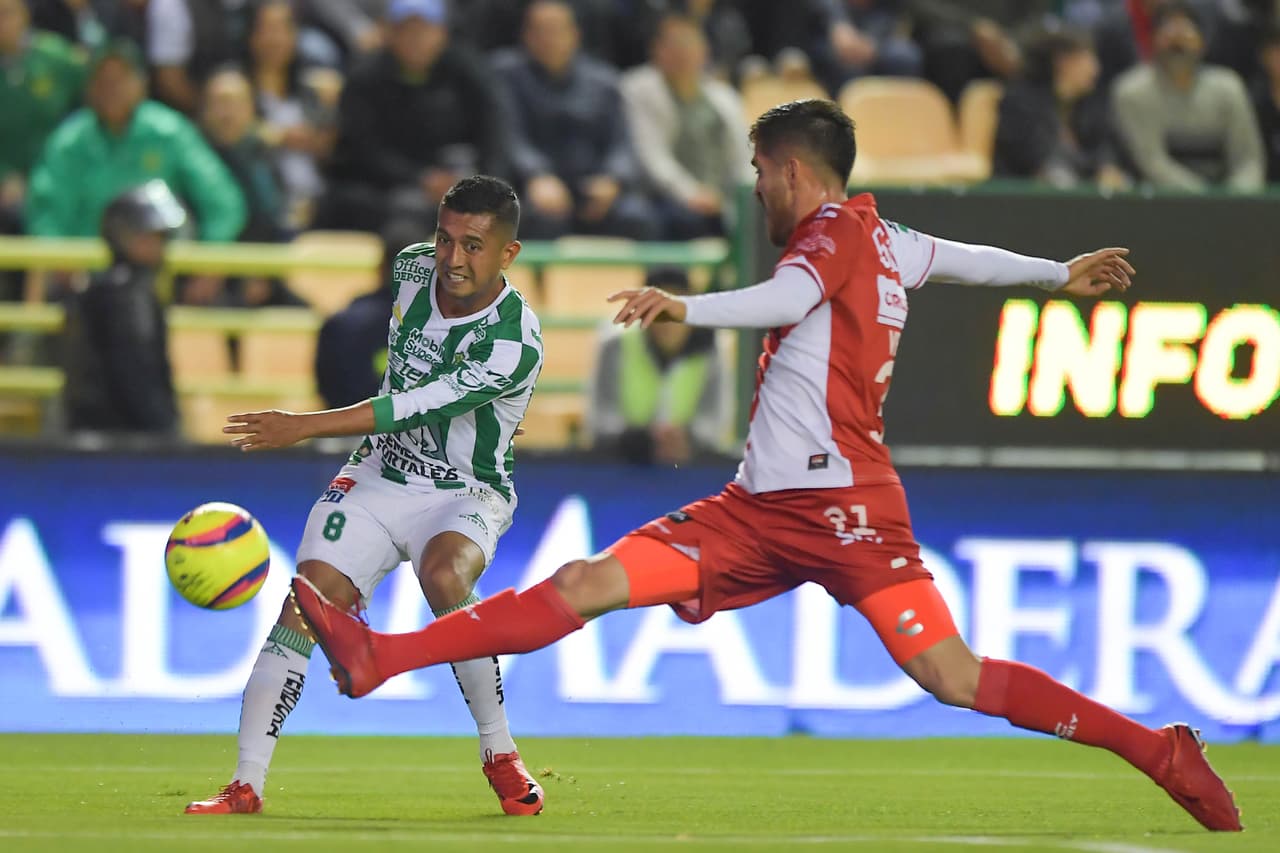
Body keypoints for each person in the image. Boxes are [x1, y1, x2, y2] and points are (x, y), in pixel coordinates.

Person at [289, 99, 1241, 833]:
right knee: (588, 582)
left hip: (844, 510)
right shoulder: (889, 237)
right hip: (760, 510)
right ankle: (381, 656)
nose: (756, 187)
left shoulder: (824, 237)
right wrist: (1051, 273)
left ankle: (1159, 750)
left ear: (791, 170)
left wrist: (686, 306)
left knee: (952, 677)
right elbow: (963, 259)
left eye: (757, 171)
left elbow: (788, 291)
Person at [186, 175, 546, 818]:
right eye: (445, 239)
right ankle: (245, 785)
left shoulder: (513, 342)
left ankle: (499, 750)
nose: (454, 259)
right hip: (379, 475)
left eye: (474, 245)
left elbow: (412, 405)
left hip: (464, 491)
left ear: (507, 256)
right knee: (307, 603)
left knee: (444, 573)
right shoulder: (411, 272)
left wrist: (304, 425)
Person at [25, 38, 247, 241]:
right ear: (89, 86)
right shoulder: (69, 142)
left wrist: (207, 264)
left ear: (142, 83)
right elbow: (44, 211)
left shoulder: (169, 132)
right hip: (82, 272)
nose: (111, 89)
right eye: (103, 79)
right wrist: (60, 261)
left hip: (159, 272)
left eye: (121, 79)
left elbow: (224, 202)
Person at [317, 0, 510, 232]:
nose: (416, 39)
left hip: (460, 178)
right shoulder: (364, 80)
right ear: (389, 33)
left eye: (425, 30)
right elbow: (364, 150)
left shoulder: (469, 73)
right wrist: (421, 178)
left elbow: (494, 132)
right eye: (406, 29)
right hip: (386, 191)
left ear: (442, 33)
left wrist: (481, 181)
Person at [492, 0, 656, 240]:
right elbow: (509, 136)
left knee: (638, 217)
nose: (548, 38)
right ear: (525, 36)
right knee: (530, 218)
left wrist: (613, 179)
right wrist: (536, 175)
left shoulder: (604, 81)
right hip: (534, 188)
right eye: (539, 30)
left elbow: (623, 142)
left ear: (575, 34)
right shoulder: (505, 76)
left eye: (556, 29)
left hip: (594, 187)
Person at [61, 180, 185, 434]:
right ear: (120, 235)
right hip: (116, 438)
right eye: (148, 237)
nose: (158, 247)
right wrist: (164, 428)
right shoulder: (121, 294)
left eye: (161, 238)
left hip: (117, 435)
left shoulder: (126, 290)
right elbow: (133, 374)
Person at [620, 12, 753, 240]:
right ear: (656, 50)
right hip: (666, 200)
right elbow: (653, 158)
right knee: (681, 219)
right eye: (674, 45)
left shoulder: (724, 97)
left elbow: (744, 158)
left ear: (704, 51)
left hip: (722, 200)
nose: (683, 53)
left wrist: (750, 196)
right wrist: (692, 193)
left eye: (690, 44)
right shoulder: (639, 89)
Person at [1111, 1, 1265, 193]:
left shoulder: (1229, 87)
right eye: (1169, 34)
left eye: (1186, 34)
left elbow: (1247, 159)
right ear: (1152, 40)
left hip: (1228, 204)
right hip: (1161, 204)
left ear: (1202, 41)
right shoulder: (1133, 91)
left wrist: (1238, 199)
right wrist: (1206, 201)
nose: (1178, 43)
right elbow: (1152, 162)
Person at [588, 266, 733, 466]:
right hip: (624, 468)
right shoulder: (615, 344)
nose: (667, 321)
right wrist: (643, 442)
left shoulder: (711, 348)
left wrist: (686, 441)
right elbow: (600, 420)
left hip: (688, 470)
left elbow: (715, 423)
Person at [993, 27, 1129, 190]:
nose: (1096, 68)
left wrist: (1106, 168)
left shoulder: (1089, 105)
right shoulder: (1021, 102)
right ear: (1063, 61)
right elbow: (1041, 160)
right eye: (1088, 58)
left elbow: (1105, 147)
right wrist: (1095, 171)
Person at [0, 0, 87, 243]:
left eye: (7, 13)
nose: (2, 23)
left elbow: (91, 109)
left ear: (26, 15)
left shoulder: (57, 57)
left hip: (59, 171)